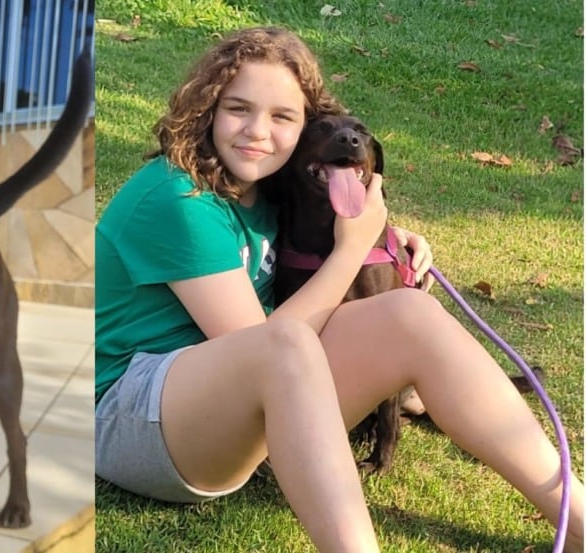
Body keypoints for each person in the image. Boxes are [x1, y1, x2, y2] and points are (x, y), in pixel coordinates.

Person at [94, 26, 584, 552]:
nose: (257, 131)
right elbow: (262, 344)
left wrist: (383, 238)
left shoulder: (264, 186)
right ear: (207, 109)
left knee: (409, 314)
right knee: (284, 342)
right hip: (132, 416)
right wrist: (351, 252)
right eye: (238, 108)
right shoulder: (179, 197)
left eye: (282, 116)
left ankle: (577, 518)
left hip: (230, 412)